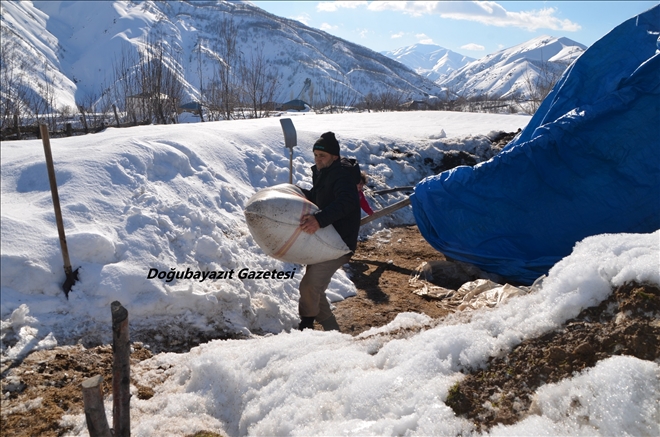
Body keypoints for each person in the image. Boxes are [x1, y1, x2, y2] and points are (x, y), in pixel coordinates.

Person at [298, 131, 361, 332]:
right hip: (324, 239)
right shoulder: (325, 172)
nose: (317, 159)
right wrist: (298, 193)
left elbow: (348, 202)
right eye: (316, 155)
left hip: (338, 243)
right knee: (314, 288)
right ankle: (332, 330)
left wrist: (319, 219)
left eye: (322, 156)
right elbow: (319, 198)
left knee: (309, 286)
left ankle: (306, 326)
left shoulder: (341, 175)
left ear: (334, 157)